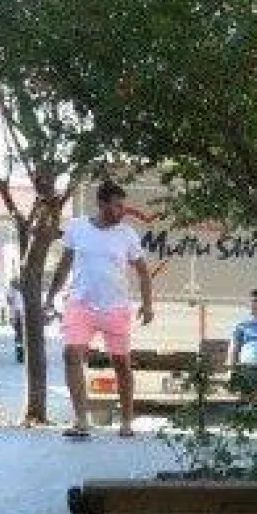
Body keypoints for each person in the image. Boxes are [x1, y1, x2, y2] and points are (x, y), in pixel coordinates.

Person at [48, 179, 154, 438]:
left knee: (121, 363)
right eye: (116, 206)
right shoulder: (77, 228)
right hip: (80, 304)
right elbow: (64, 265)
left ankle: (127, 421)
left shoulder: (127, 234)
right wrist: (50, 297)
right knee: (71, 354)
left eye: (123, 207)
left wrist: (148, 304)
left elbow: (143, 272)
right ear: (101, 203)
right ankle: (81, 420)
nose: (121, 211)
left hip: (115, 307)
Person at [7, 278, 26, 363]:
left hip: (21, 316)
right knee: (19, 337)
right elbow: (10, 301)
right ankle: (20, 355)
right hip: (17, 317)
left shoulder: (22, 292)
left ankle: (22, 354)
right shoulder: (12, 291)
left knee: (21, 336)